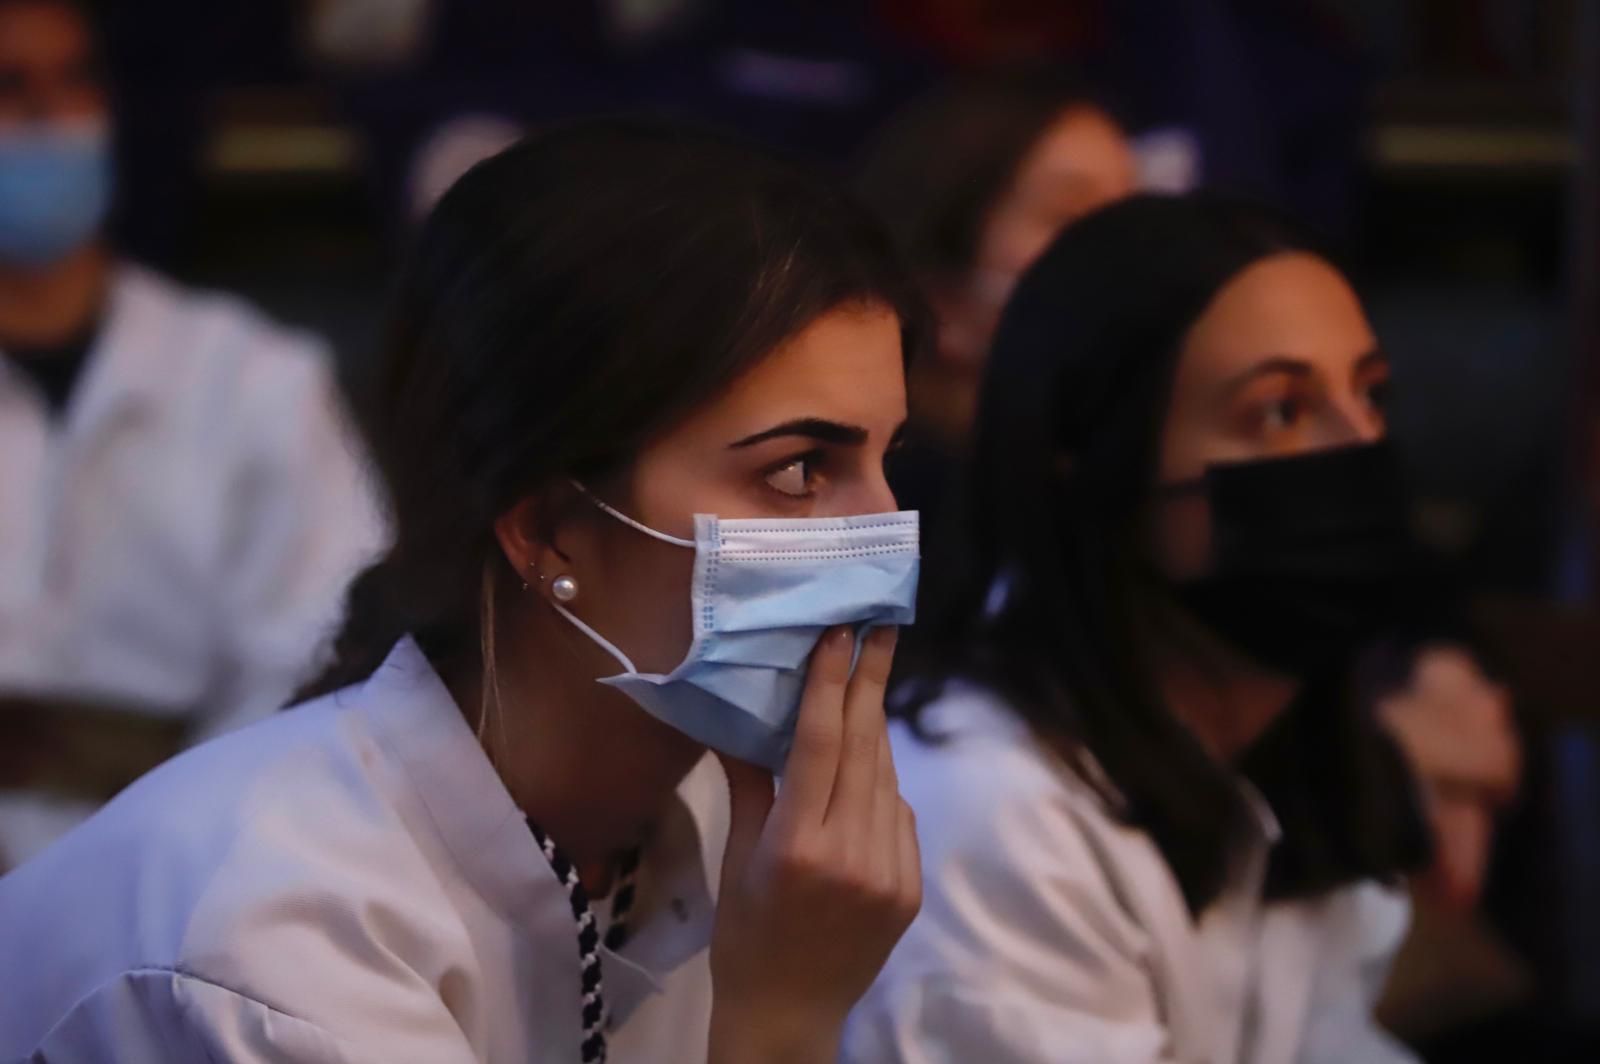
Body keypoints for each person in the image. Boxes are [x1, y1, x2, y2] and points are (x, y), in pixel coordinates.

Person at [0, 120, 925, 1063]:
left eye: (892, 461)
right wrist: (781, 1023)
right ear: (548, 528)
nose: (885, 539)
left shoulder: (745, 836)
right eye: (800, 470)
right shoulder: (274, 945)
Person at [843, 194, 1518, 1063]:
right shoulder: (990, 814)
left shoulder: (1268, 758)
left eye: (1371, 393)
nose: (1359, 445)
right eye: (1279, 412)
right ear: (1094, 463)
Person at [0, 0, 383, 868]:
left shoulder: (254, 379)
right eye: (10, 87)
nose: (46, 120)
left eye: (73, 83)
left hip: (184, 879)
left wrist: (167, 858)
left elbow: (324, 658)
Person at [857, 72, 1137, 527]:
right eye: (1072, 217)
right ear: (936, 290)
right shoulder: (878, 513)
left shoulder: (1126, 493)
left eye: (1133, 215)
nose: (1129, 251)